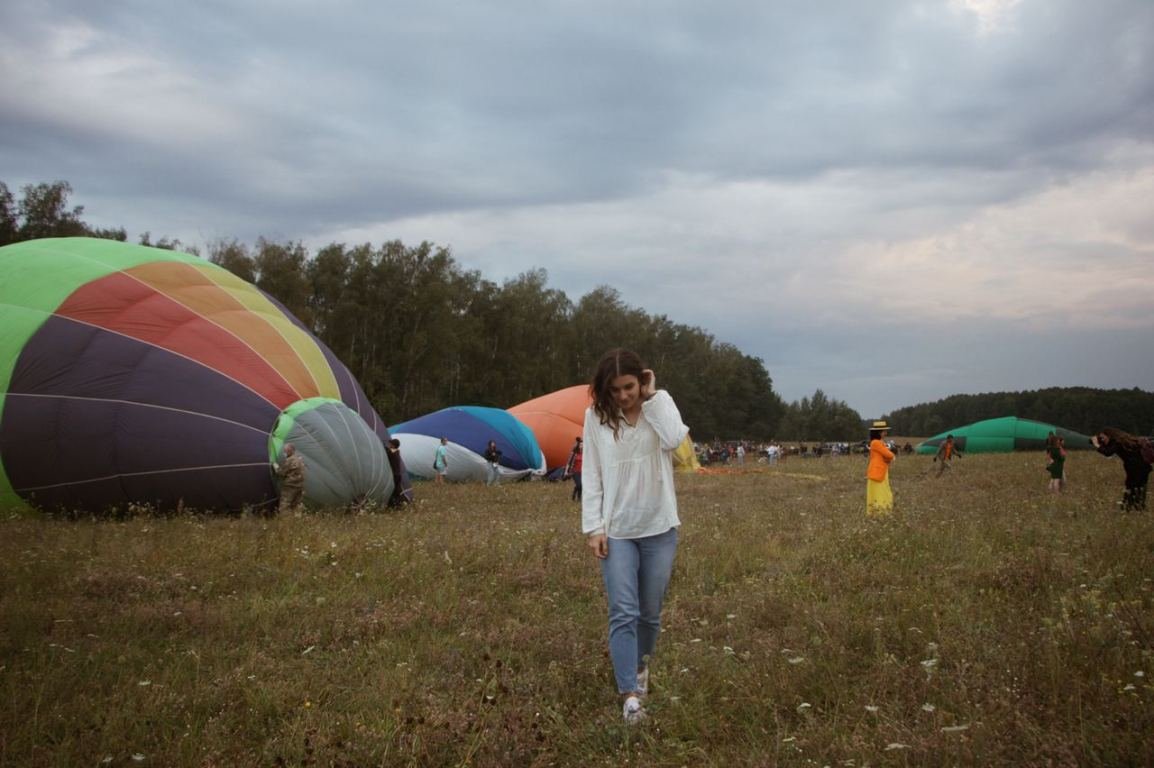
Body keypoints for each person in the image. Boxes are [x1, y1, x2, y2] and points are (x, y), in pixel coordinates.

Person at [582, 348, 689, 725]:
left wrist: (653, 396)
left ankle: (641, 670)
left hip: (660, 527)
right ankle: (629, 693)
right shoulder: (595, 417)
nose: (623, 396)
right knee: (623, 611)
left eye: (628, 387)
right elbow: (591, 474)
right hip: (618, 531)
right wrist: (594, 527)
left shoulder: (660, 405)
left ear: (640, 382)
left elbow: (674, 440)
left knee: (649, 613)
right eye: (614, 390)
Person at [1092, 428, 1152, 512]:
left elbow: (1108, 453)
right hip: (1144, 467)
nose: (1102, 440)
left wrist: (1096, 444)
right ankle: (1138, 506)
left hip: (1135, 468)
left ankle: (1129, 506)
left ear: (1109, 435)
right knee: (1140, 487)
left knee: (1131, 486)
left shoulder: (1117, 442)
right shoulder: (1124, 440)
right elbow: (1109, 448)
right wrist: (1100, 443)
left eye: (1102, 437)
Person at [866, 420, 895, 516]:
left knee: (883, 492)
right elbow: (889, 455)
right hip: (877, 472)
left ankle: (882, 511)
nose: (886, 433)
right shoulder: (876, 443)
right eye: (884, 431)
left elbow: (887, 456)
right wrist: (891, 456)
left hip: (882, 471)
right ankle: (880, 512)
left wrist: (889, 457)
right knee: (879, 493)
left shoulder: (879, 442)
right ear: (879, 432)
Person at [274, 442, 306, 515]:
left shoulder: (289, 460)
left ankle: (286, 520)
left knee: (284, 506)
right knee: (297, 505)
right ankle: (297, 520)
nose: (284, 452)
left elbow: (281, 473)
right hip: (300, 486)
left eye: (285, 450)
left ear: (290, 451)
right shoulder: (299, 459)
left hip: (290, 486)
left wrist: (276, 467)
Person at [386, 438, 409, 507]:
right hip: (398, 474)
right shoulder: (397, 452)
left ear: (393, 445)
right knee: (397, 490)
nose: (389, 445)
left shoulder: (392, 453)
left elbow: (388, 453)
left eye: (390, 444)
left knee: (393, 490)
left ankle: (394, 504)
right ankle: (400, 503)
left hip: (394, 474)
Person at [565, 437, 584, 501]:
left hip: (582, 472)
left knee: (581, 485)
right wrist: (566, 472)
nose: (582, 446)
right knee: (579, 484)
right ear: (578, 445)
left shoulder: (585, 454)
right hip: (575, 472)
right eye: (580, 445)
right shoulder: (574, 453)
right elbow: (568, 463)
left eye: (583, 445)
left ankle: (578, 497)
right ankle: (576, 492)